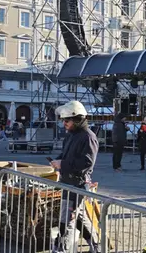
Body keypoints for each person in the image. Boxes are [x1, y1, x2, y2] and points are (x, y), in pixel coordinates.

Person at [50, 101, 99, 253]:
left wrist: (62, 164)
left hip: (77, 183)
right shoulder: (72, 135)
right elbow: (66, 154)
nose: (64, 123)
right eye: (63, 120)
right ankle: (96, 245)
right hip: (68, 182)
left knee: (68, 218)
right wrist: (57, 161)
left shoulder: (88, 137)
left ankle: (61, 247)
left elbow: (86, 163)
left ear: (77, 119)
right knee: (76, 216)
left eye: (66, 120)